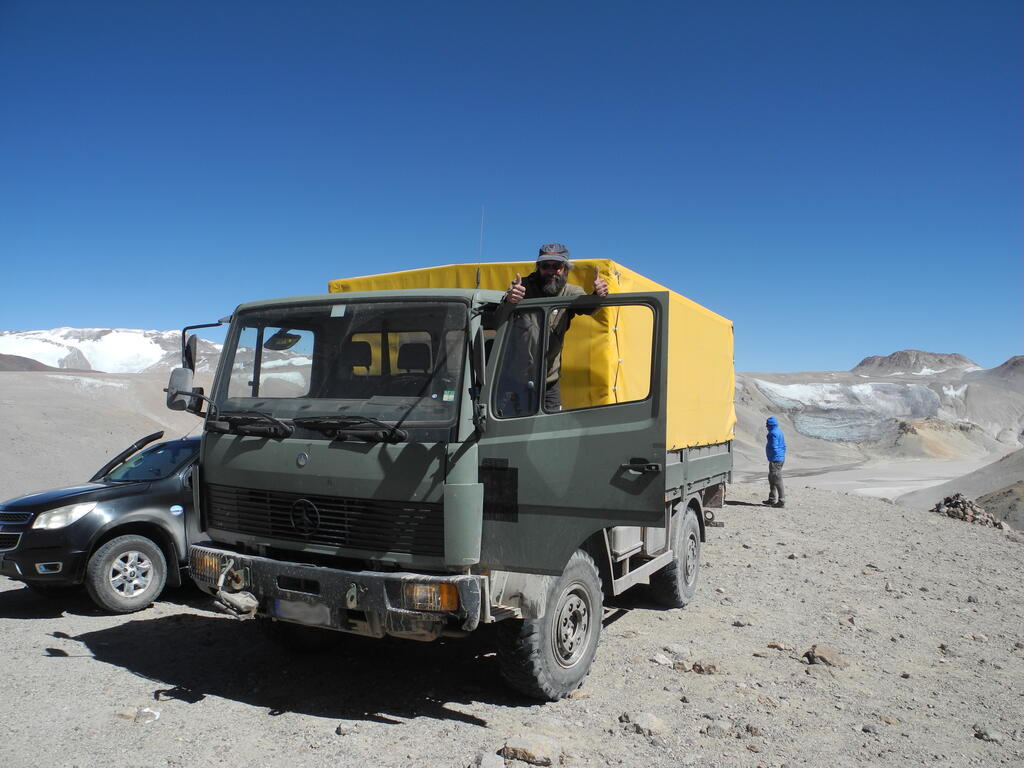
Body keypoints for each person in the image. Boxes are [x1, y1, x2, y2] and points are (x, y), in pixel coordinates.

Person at [502, 243, 609, 411]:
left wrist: (598, 296)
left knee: (550, 431)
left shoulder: (571, 293)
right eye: (545, 266)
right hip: (514, 381)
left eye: (557, 266)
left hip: (549, 383)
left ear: (566, 268)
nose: (551, 271)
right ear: (538, 267)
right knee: (506, 431)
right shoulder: (521, 289)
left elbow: (588, 307)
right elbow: (498, 319)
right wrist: (510, 301)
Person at [764, 416, 787, 508]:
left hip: (775, 459)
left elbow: (774, 447)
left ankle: (781, 501)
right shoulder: (779, 431)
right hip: (779, 458)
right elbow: (784, 445)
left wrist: (774, 456)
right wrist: (781, 454)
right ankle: (772, 498)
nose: (766, 426)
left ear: (770, 425)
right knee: (772, 478)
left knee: (777, 479)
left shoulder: (772, 434)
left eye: (767, 424)